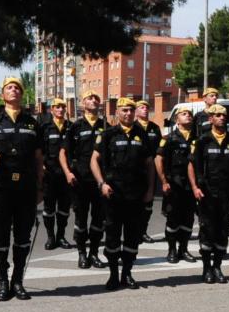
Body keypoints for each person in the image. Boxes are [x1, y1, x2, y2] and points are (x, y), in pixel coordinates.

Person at [0, 77, 44, 301]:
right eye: (9, 88)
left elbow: (38, 157)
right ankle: (2, 281)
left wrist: (41, 187)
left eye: (17, 88)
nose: (13, 90)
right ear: (2, 94)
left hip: (25, 188)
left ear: (22, 95)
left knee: (23, 237)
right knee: (0, 237)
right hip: (0, 188)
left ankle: (18, 281)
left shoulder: (32, 123)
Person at [91, 97, 155, 291]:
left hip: (135, 193)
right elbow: (94, 160)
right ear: (117, 112)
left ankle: (127, 274)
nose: (128, 113)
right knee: (111, 235)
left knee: (132, 236)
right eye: (124, 110)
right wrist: (101, 183)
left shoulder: (142, 134)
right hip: (113, 194)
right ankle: (113, 275)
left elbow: (150, 164)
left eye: (131, 110)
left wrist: (151, 190)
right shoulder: (108, 134)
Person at [189, 103, 229, 284]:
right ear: (210, 119)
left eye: (223, 115)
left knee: (223, 230)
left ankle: (218, 266)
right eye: (217, 115)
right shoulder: (202, 141)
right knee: (208, 230)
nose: (221, 118)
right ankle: (206, 268)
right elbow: (193, 165)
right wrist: (195, 187)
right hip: (207, 193)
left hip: (227, 192)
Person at [60, 90, 108, 270]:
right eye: (90, 98)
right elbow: (63, 152)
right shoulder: (75, 127)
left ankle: (94, 253)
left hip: (99, 181)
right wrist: (67, 172)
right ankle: (81, 253)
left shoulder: (106, 126)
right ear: (83, 103)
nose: (94, 100)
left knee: (98, 220)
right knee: (81, 219)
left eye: (96, 98)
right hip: (79, 180)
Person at [154, 105, 197, 263]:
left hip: (191, 185)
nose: (188, 116)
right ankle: (171, 250)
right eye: (184, 114)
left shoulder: (197, 138)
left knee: (188, 218)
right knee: (173, 218)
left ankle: (183, 249)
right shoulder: (168, 139)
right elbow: (158, 160)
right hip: (175, 183)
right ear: (176, 119)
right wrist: (164, 181)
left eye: (190, 114)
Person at [39, 98, 74, 251]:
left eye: (62, 107)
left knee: (64, 208)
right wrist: (40, 166)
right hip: (50, 174)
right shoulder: (44, 127)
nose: (60, 110)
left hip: (66, 174)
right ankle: (50, 237)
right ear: (51, 109)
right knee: (49, 208)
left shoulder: (71, 127)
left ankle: (61, 236)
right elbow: (39, 150)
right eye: (57, 107)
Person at [135, 99, 163, 244]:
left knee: (148, 204)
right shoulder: (133, 127)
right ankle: (135, 231)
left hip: (151, 169)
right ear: (136, 111)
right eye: (141, 107)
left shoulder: (154, 128)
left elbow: (159, 150)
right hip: (136, 171)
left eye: (146, 107)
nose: (145, 109)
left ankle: (143, 231)